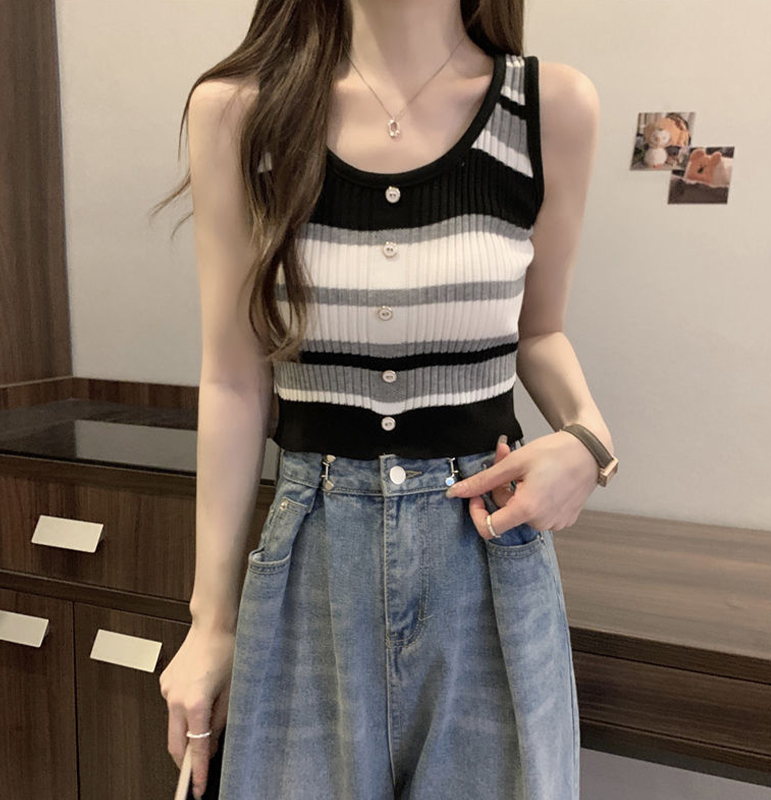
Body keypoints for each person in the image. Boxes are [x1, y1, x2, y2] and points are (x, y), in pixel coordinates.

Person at [153, 0, 616, 798]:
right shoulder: (238, 113)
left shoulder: (551, 109)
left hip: (485, 556)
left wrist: (589, 439)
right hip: (311, 562)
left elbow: (540, 331)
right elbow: (233, 377)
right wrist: (211, 622)